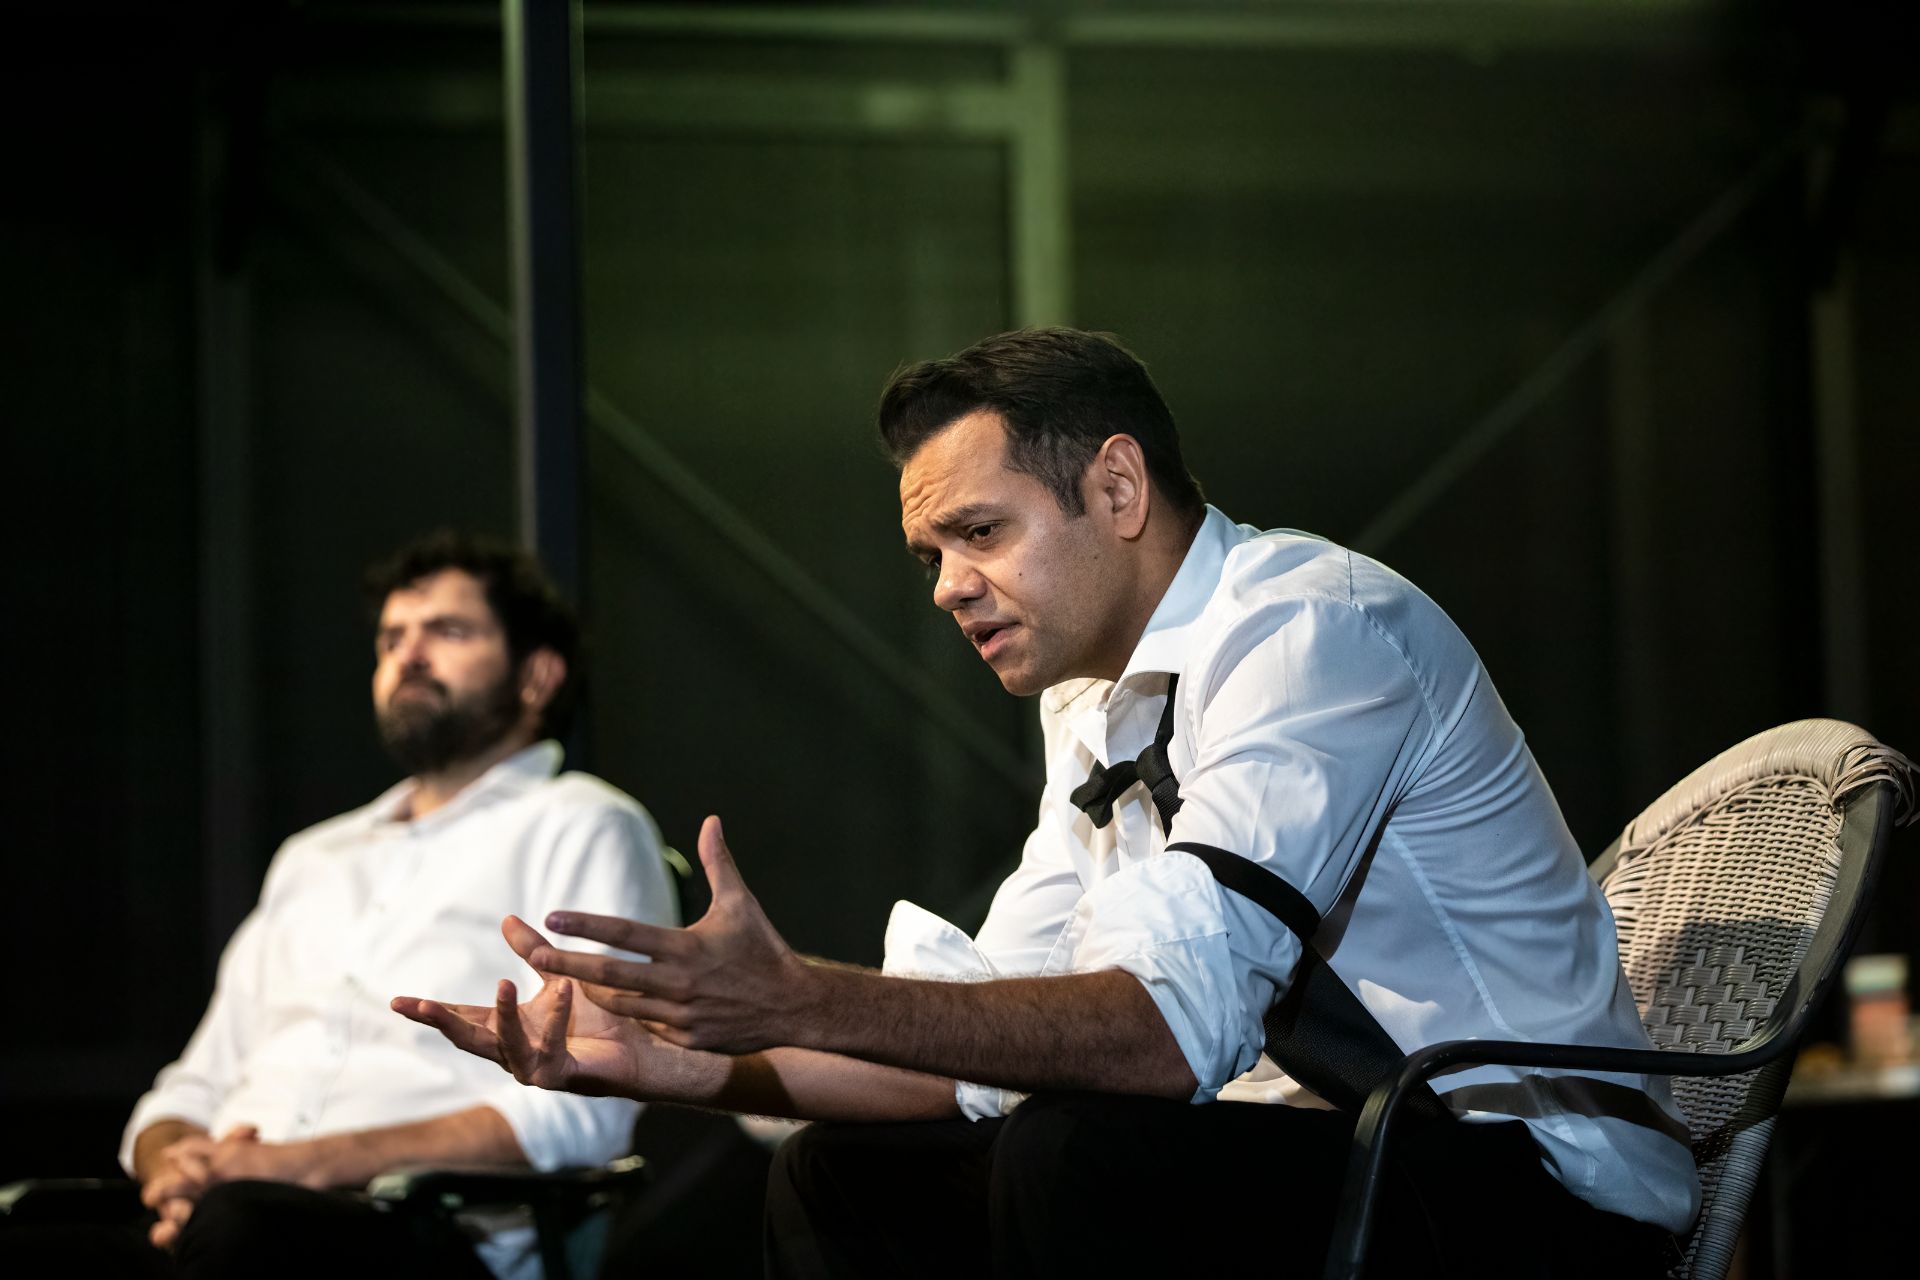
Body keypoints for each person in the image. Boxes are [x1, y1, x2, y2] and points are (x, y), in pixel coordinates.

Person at [396, 330, 1700, 1277]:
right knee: (839, 1170)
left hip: (1543, 1195)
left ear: (1117, 489)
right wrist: (677, 1064)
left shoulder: (1316, 631)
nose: (945, 586)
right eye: (930, 554)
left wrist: (798, 994)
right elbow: (980, 1046)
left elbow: (1163, 1035)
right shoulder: (1088, 701)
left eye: (980, 532)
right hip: (1339, 1153)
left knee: (1079, 1149)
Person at [118, 532, 679, 1280]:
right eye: (391, 639)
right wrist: (178, 1170)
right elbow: (192, 1087)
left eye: (448, 631)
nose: (408, 655)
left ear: (537, 676)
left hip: (430, 1237)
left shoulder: (583, 824)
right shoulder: (312, 856)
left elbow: (586, 1104)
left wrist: (295, 1166)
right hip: (229, 1217)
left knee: (243, 1231)